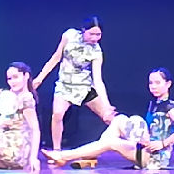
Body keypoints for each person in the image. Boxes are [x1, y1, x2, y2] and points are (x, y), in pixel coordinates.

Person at [42, 67, 174, 170]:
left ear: (168, 84)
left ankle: (64, 156)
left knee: (111, 142)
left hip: (154, 159)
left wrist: (163, 143)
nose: (153, 86)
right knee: (119, 120)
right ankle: (90, 156)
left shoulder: (169, 106)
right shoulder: (155, 104)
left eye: (158, 83)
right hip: (145, 148)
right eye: (151, 83)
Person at [32, 16, 116, 154]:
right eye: (92, 34)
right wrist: (39, 79)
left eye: (98, 34)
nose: (95, 38)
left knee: (108, 117)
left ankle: (130, 146)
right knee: (57, 114)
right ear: (83, 30)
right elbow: (56, 58)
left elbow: (98, 80)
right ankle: (57, 151)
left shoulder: (96, 51)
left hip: (84, 87)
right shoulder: (69, 35)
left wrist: (106, 104)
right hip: (65, 85)